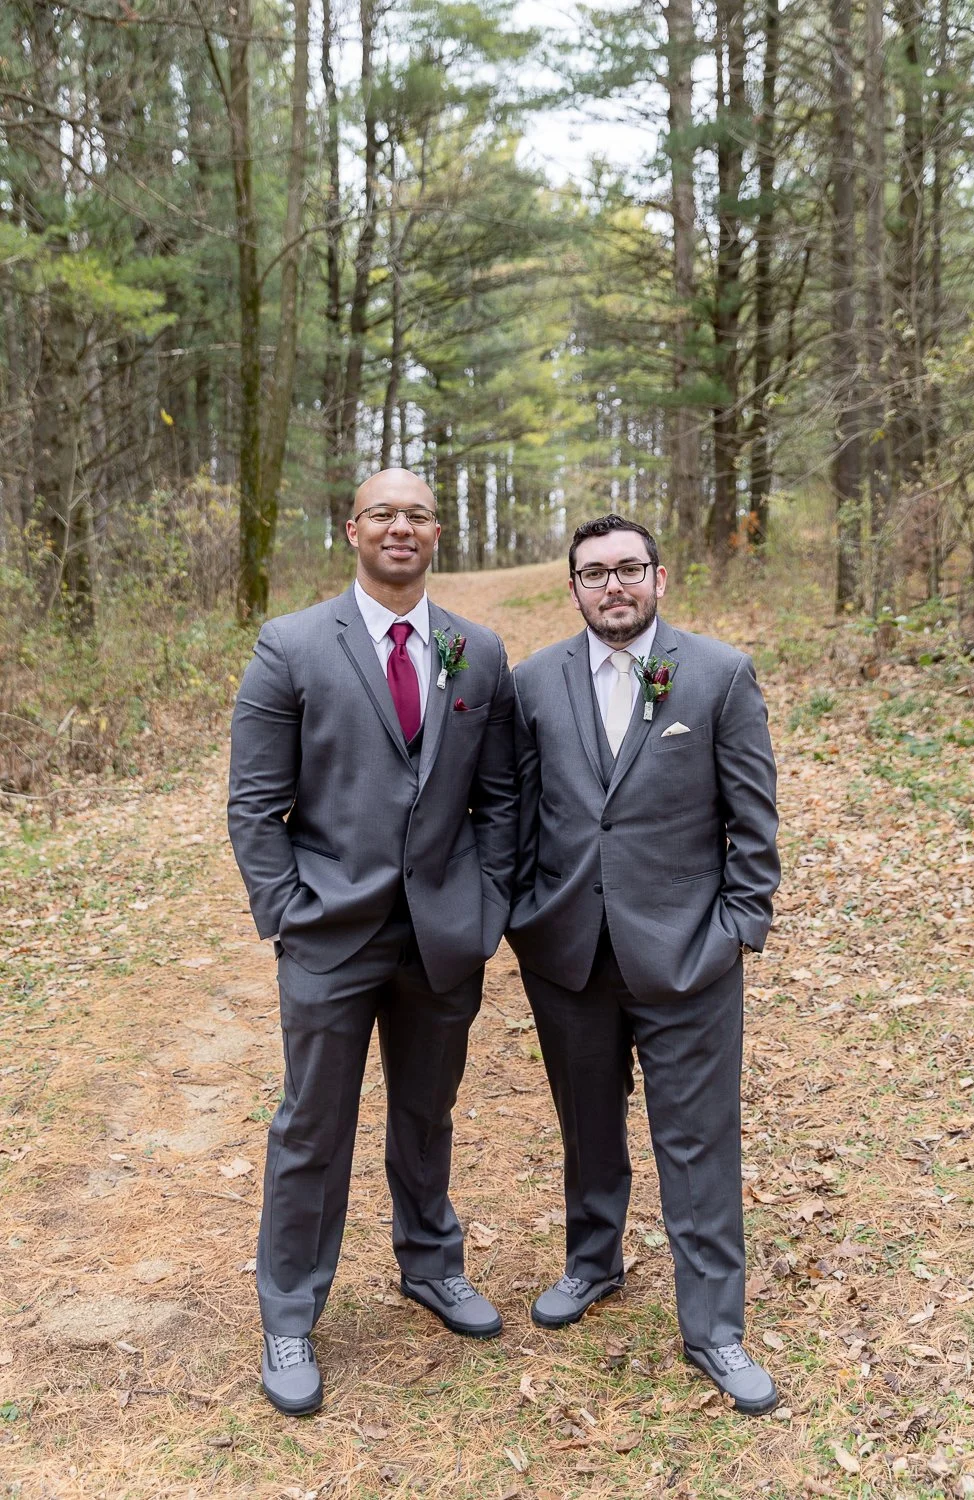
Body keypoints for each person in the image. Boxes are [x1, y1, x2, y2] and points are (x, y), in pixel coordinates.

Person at [228, 468, 517, 1415]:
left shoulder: (479, 652)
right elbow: (254, 806)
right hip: (330, 932)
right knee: (311, 1126)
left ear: (438, 534)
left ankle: (431, 1266)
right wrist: (287, 911)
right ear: (352, 527)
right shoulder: (292, 645)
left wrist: (486, 906)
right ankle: (290, 1311)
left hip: (442, 935)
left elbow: (502, 799)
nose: (402, 527)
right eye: (383, 512)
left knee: (426, 1114)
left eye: (418, 514)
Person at [507, 514, 781, 1416]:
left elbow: (753, 822)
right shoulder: (532, 682)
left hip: (688, 957)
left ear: (660, 579)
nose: (612, 586)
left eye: (629, 569)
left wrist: (737, 929)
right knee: (586, 1126)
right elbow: (513, 812)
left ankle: (714, 1328)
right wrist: (521, 918)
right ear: (575, 588)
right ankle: (594, 1264)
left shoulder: (718, 674)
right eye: (594, 574)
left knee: (697, 1143)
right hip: (570, 955)